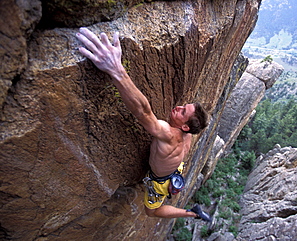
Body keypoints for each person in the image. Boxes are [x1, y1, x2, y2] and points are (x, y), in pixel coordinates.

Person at [76, 27, 211, 221]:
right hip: (175, 169)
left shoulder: (168, 133)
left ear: (185, 127)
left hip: (160, 182)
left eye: (183, 111)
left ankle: (191, 214)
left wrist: (116, 69)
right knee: (167, 191)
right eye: (184, 106)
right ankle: (190, 209)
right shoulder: (189, 134)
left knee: (151, 211)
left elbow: (143, 111)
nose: (179, 107)